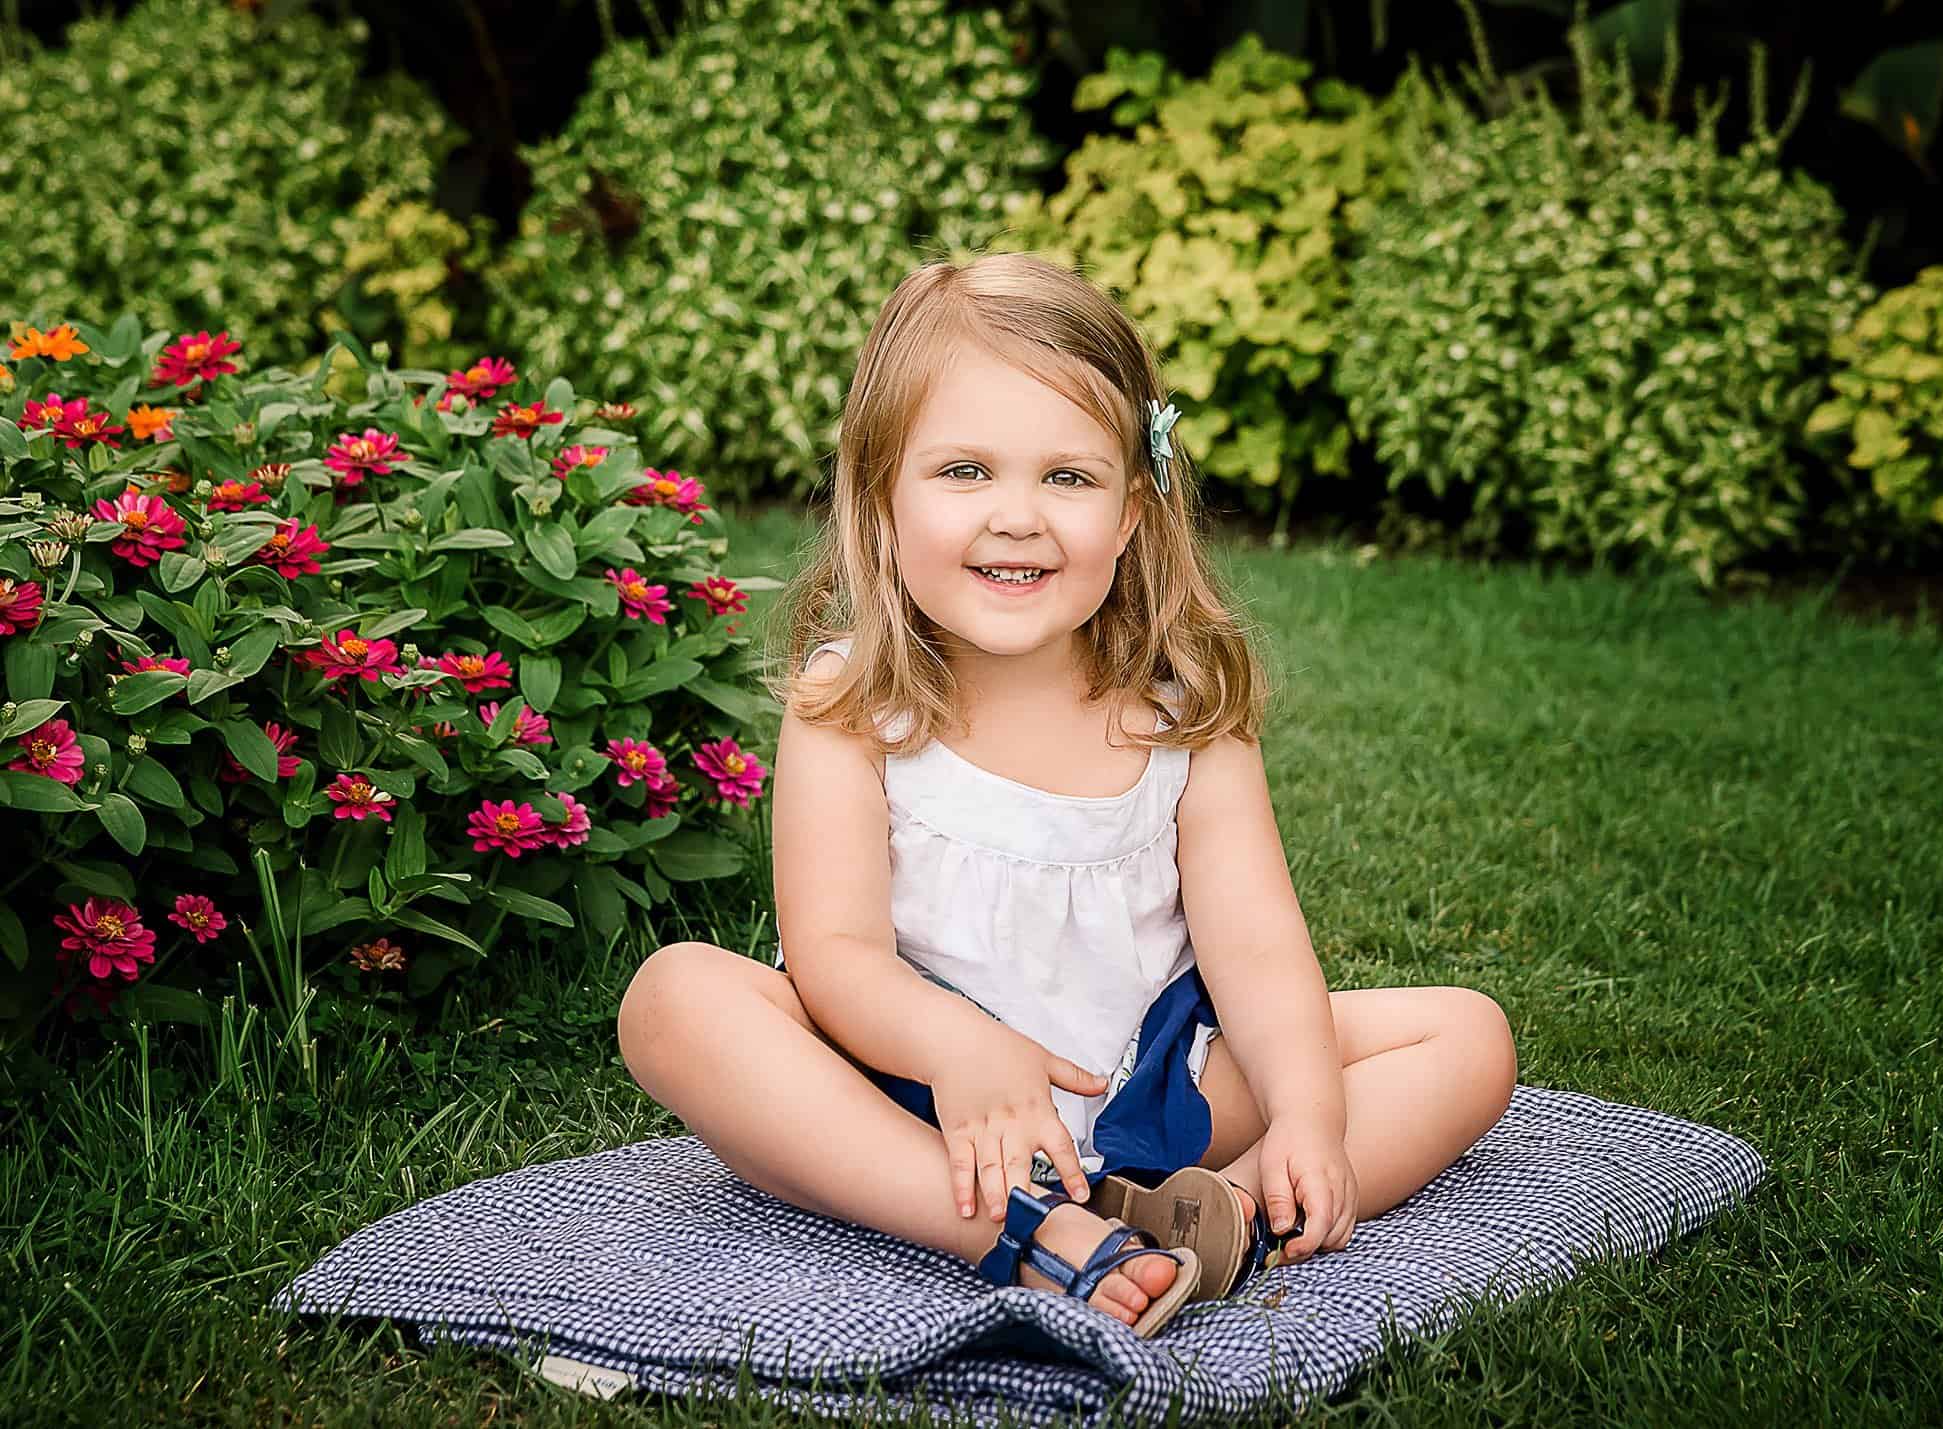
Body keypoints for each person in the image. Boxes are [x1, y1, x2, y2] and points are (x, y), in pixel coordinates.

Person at [619, 251, 1519, 1338]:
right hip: (913, 1098)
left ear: (1134, 510)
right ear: (880, 495)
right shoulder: (849, 703)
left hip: (1148, 1087)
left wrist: (1306, 1113)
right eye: (963, 472)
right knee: (675, 999)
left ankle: (1229, 1206)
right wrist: (960, 1049)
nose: (1017, 516)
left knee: (1464, 1036)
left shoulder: (1182, 714)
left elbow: (1258, 948)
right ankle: (1023, 1232)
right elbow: (834, 952)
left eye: (1067, 477)